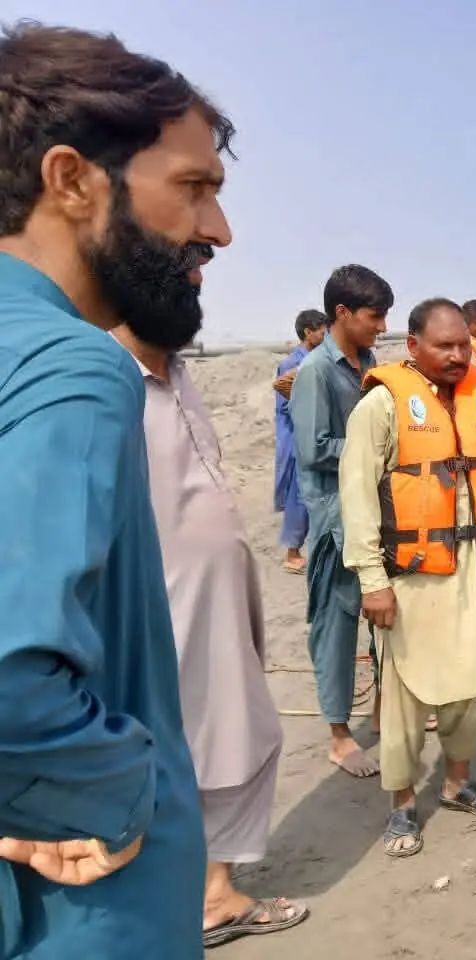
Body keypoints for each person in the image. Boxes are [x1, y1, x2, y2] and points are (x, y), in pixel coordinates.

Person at [0, 21, 232, 958]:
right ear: (71, 180)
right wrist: (117, 795)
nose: (217, 230)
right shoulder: (71, 368)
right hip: (91, 910)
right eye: (193, 188)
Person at [113, 322, 307, 948]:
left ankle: (205, 887)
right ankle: (206, 898)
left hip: (219, 593)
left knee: (236, 733)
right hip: (162, 601)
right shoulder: (104, 377)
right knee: (198, 742)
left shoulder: (178, 374)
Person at [339, 298, 476, 857]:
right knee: (404, 698)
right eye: (443, 346)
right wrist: (372, 580)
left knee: (470, 689)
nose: (455, 355)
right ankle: (402, 805)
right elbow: (355, 497)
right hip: (412, 580)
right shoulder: (380, 407)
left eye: (461, 346)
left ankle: (456, 782)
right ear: (413, 346)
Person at [290, 264, 392, 778]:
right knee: (336, 628)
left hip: (370, 515)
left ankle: (381, 709)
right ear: (343, 314)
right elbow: (313, 448)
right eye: (375, 317)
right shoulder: (316, 372)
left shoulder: (369, 363)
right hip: (335, 522)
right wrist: (374, 450)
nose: (381, 326)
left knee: (382, 617)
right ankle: (338, 734)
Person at [274, 309, 327, 573]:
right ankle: (292, 553)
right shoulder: (290, 364)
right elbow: (285, 407)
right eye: (322, 330)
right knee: (299, 499)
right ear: (308, 332)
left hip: (317, 439)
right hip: (298, 441)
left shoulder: (320, 359)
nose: (326, 335)